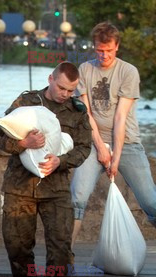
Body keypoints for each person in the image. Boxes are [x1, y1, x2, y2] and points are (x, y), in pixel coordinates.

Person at [0, 62, 92, 277]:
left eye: (71, 90)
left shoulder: (76, 111)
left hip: (57, 188)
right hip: (20, 187)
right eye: (61, 87)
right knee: (17, 245)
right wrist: (23, 143)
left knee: (60, 247)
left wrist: (61, 161)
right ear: (51, 79)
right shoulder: (27, 102)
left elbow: (84, 148)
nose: (65, 94)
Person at [71, 21, 156, 248]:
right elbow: (86, 113)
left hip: (127, 143)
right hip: (93, 142)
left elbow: (120, 118)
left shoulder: (128, 72)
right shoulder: (85, 70)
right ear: (94, 46)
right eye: (100, 50)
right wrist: (99, 146)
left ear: (117, 46)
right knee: (77, 198)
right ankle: (64, 256)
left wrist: (115, 157)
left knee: (151, 202)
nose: (104, 55)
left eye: (109, 50)